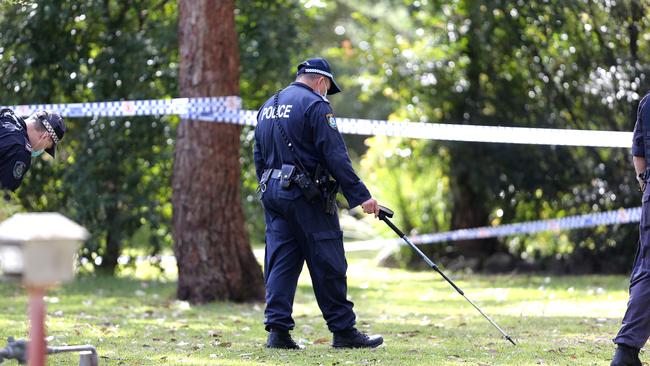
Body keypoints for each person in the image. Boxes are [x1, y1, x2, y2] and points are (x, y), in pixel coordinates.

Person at [253, 57, 384, 349]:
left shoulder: (268, 106)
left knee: (280, 262)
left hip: (272, 193)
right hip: (306, 197)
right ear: (322, 82)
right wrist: (361, 197)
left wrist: (270, 186)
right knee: (328, 261)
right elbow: (335, 156)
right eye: (328, 88)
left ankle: (278, 333)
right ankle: (344, 331)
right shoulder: (316, 105)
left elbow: (258, 156)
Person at [611, 93, 650, 366]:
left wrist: (646, 185)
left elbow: (638, 155)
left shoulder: (647, 103)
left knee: (648, 269)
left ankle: (625, 350)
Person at [0, 108, 65, 192]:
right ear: (46, 136)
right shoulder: (21, 151)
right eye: (46, 147)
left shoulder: (6, 116)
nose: (42, 150)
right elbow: (4, 194)